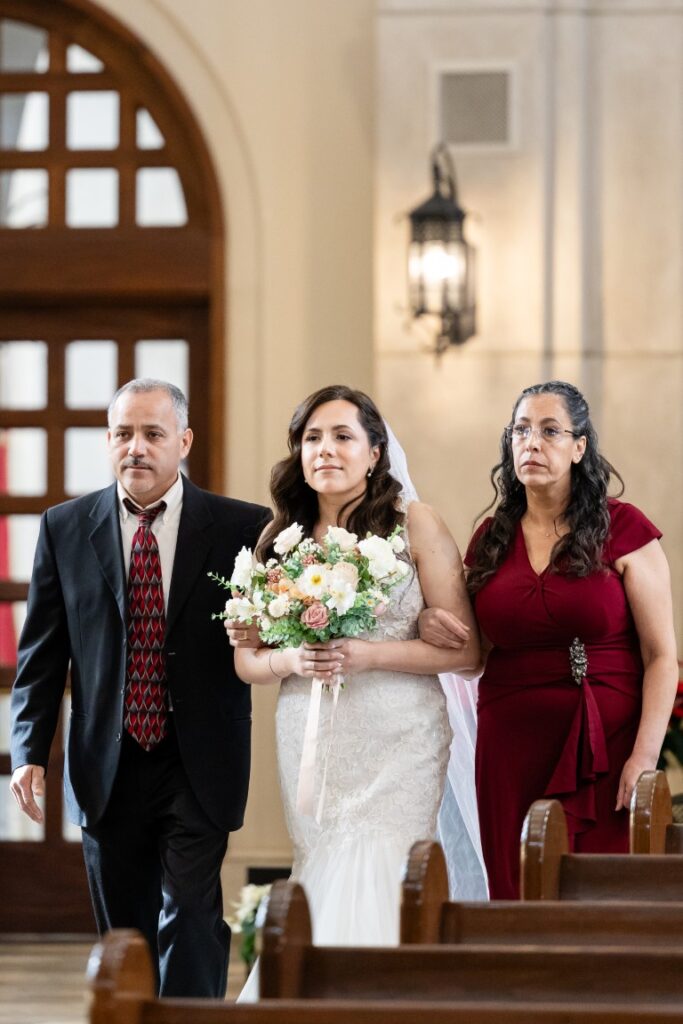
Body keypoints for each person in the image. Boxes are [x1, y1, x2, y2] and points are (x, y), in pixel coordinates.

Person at [9, 378, 270, 997]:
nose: (137, 448)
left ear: (183, 441)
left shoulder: (242, 528)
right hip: (107, 760)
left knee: (190, 911)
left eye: (153, 434)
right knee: (125, 935)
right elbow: (41, 657)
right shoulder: (65, 528)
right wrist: (28, 754)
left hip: (199, 756)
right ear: (108, 440)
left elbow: (271, 635)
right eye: (124, 434)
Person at [228, 384, 481, 982]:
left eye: (343, 436)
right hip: (310, 733)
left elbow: (465, 647)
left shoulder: (415, 525)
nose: (326, 450)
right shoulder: (279, 539)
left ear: (375, 453)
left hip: (401, 734)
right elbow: (249, 662)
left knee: (383, 862)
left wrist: (370, 654)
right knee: (322, 861)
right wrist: (290, 662)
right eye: (312, 437)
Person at [420, 380, 678, 899]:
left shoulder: (624, 529)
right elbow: (473, 652)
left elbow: (662, 656)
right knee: (516, 892)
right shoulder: (491, 538)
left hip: (607, 742)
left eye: (549, 431)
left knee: (603, 894)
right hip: (508, 747)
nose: (531, 443)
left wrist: (644, 757)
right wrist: (429, 624)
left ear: (580, 447)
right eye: (520, 430)